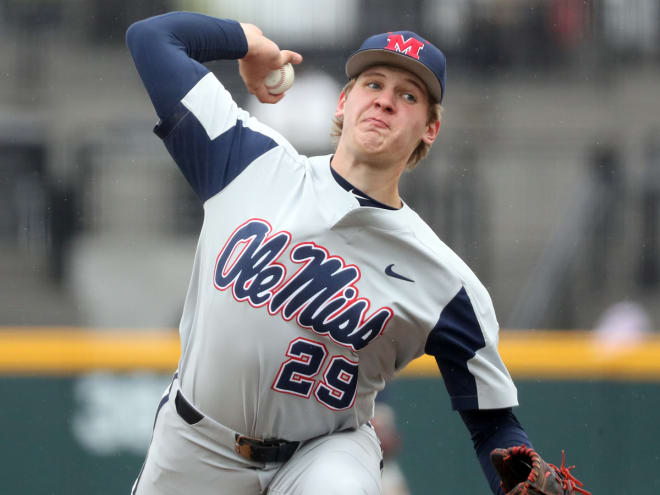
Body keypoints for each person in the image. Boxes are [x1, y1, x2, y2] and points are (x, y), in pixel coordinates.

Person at [126, 11, 587, 495]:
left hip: (323, 452)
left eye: (408, 96)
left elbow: (493, 428)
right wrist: (248, 42)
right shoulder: (248, 162)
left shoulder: (446, 283)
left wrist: (512, 474)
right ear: (344, 101)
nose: (385, 101)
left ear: (430, 128)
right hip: (195, 442)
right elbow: (152, 37)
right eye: (373, 84)